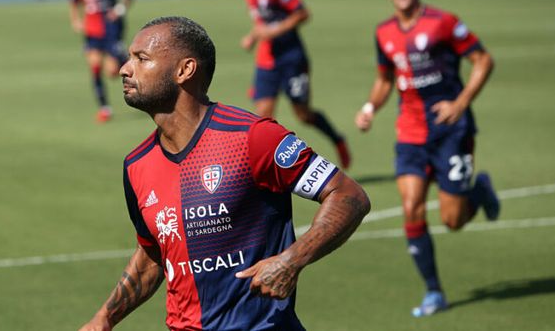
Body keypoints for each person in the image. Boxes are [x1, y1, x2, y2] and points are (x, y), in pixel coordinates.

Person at [78, 16, 370, 331]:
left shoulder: (252, 138)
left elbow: (348, 195)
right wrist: (104, 319)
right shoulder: (137, 165)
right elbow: (153, 254)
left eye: (141, 59)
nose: (124, 68)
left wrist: (292, 260)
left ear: (184, 70)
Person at [354, 0, 500, 317]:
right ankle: (434, 291)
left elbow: (483, 61)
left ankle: (478, 192)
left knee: (453, 220)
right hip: (410, 133)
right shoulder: (383, 32)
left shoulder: (444, 22)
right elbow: (385, 78)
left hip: (452, 130)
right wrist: (371, 106)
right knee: (411, 208)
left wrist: (461, 103)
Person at [235, 0, 352, 170]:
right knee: (262, 119)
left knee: (303, 115)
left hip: (291, 59)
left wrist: (275, 31)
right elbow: (262, 21)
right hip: (267, 61)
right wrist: (253, 36)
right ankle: (266, 171)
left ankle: (337, 139)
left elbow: (303, 13)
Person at [70, 0, 132, 123]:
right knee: (95, 67)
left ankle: (142, 84)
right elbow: (73, 3)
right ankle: (105, 109)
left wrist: (119, 10)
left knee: (113, 72)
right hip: (92, 32)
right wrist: (75, 20)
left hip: (111, 29)